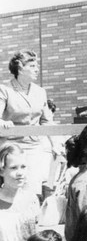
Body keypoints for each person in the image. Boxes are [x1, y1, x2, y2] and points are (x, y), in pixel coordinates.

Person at [0, 50, 56, 196]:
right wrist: (2, 122)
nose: (37, 69)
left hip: (34, 146)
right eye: (32, 66)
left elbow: (46, 122)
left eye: (36, 65)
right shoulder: (4, 90)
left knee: (32, 188)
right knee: (14, 189)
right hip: (10, 146)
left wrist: (55, 144)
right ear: (19, 68)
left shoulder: (40, 92)